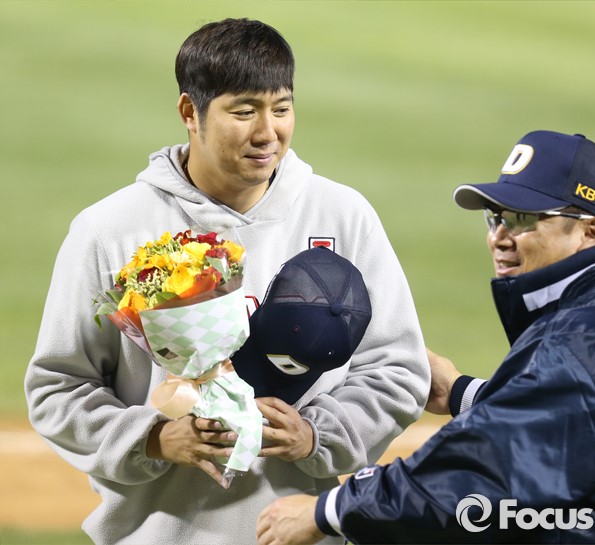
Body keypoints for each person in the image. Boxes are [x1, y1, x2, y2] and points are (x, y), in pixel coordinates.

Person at [24, 18, 430, 545]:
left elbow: (397, 368)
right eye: (244, 111)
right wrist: (155, 439)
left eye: (281, 108)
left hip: (305, 533)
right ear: (189, 112)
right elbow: (58, 387)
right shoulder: (112, 229)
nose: (268, 132)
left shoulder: (342, 216)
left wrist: (316, 435)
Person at [256, 130, 595, 544]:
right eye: (496, 218)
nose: (499, 238)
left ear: (591, 231)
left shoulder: (584, 343)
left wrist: (330, 511)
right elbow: (576, 421)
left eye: (523, 219)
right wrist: (461, 393)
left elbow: (472, 474)